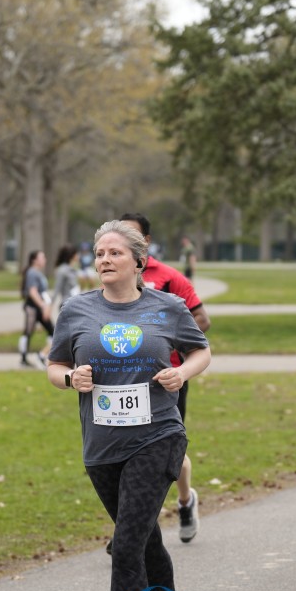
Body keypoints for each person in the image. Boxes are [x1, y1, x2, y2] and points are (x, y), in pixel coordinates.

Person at [47, 220, 210, 591]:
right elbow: (54, 365)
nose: (104, 259)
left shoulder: (168, 307)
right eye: (99, 253)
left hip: (157, 436)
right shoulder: (76, 310)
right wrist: (70, 378)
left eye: (115, 253)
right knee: (146, 542)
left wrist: (182, 372)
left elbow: (201, 350)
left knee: (125, 546)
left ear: (139, 261)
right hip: (102, 447)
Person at [120, 213, 211, 547]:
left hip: (166, 379)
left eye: (129, 235)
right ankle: (130, 526)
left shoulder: (170, 278)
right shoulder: (111, 279)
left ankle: (185, 500)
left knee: (167, 453)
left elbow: (201, 319)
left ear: (145, 242)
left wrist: (167, 344)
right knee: (124, 454)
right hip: (122, 379)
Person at [19, 250, 54, 368]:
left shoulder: (37, 273)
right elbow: (32, 292)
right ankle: (24, 359)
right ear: (35, 260)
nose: (45, 260)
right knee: (28, 332)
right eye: (42, 257)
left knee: (52, 331)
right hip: (33, 307)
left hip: (39, 307)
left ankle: (45, 355)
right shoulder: (32, 273)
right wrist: (43, 306)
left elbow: (42, 292)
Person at [53, 244, 81, 312]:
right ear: (71, 255)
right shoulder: (62, 270)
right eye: (76, 253)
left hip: (75, 304)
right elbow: (57, 289)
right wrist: (50, 306)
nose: (78, 255)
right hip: (67, 305)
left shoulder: (72, 269)